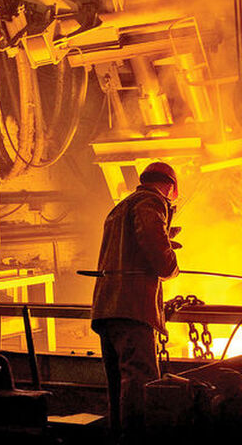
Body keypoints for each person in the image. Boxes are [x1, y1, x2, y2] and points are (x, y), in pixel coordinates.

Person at [90, 161, 180, 444]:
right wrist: (171, 261)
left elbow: (131, 245)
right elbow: (162, 262)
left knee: (118, 385)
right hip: (132, 309)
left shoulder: (120, 207)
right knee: (140, 382)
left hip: (107, 308)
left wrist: (164, 237)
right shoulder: (151, 202)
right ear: (170, 188)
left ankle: (119, 439)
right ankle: (138, 444)